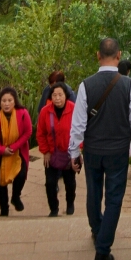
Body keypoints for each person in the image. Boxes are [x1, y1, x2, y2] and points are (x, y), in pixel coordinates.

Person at [68, 37, 131, 260]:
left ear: (97, 55)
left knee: (93, 192)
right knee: (114, 198)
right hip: (117, 153)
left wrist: (74, 152)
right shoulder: (128, 85)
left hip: (92, 151)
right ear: (119, 55)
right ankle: (103, 251)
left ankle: (97, 230)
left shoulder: (85, 85)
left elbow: (78, 124)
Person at [0, 87, 33, 217]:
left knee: (21, 175)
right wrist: (1, 149)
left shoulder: (22, 113)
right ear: (0, 102)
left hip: (17, 151)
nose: (6, 103)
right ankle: (4, 210)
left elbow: (28, 132)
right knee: (1, 183)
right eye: (4, 100)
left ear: (14, 101)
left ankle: (16, 197)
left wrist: (14, 147)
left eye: (9, 100)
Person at [37, 83, 76, 217]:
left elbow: (81, 131)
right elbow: (40, 133)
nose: (57, 98)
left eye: (60, 95)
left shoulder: (74, 109)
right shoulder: (45, 111)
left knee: (70, 182)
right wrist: (45, 151)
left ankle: (70, 203)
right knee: (50, 183)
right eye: (54, 95)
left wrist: (77, 151)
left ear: (66, 95)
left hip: (69, 153)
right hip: (52, 154)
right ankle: (54, 208)